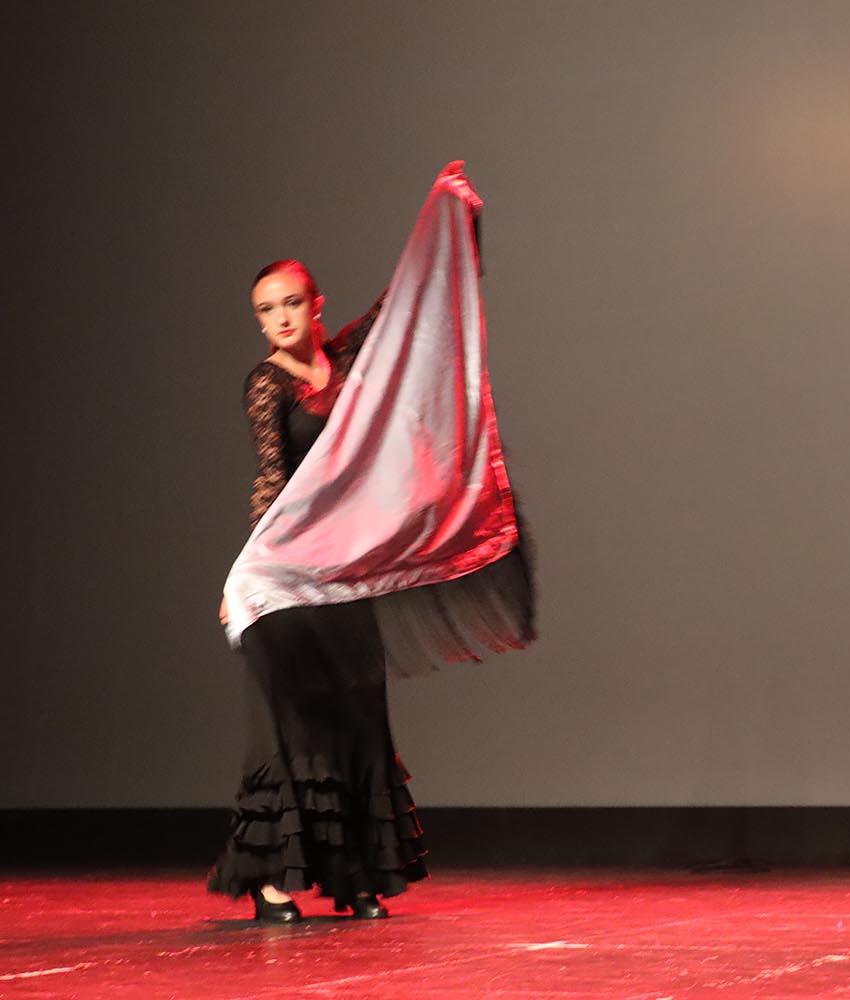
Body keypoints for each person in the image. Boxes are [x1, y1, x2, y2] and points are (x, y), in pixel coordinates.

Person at [208, 164, 533, 923]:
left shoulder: (349, 358)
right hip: (286, 578)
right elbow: (272, 480)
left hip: (346, 577)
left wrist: (455, 218)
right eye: (266, 310)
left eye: (292, 303)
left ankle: (356, 878)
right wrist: (246, 571)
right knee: (292, 724)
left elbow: (409, 300)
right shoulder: (267, 384)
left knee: (358, 720)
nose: (280, 318)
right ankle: (270, 881)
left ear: (316, 305)